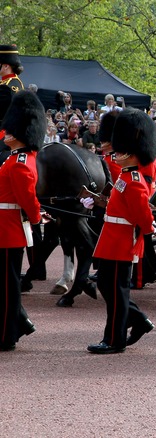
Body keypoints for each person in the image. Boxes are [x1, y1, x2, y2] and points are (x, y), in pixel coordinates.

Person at [87, 109, 156, 354]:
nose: (117, 154)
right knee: (107, 286)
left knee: (116, 292)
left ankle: (114, 339)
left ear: (133, 153)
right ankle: (137, 320)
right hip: (111, 238)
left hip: (122, 241)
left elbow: (143, 215)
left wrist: (146, 235)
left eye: (122, 150)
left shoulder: (135, 179)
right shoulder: (125, 177)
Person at [0, 90, 45, 351]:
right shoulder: (15, 158)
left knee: (8, 285)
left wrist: (37, 215)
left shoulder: (19, 162)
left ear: (18, 133)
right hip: (6, 225)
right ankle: (20, 321)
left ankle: (7, 335)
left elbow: (26, 198)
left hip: (8, 229)